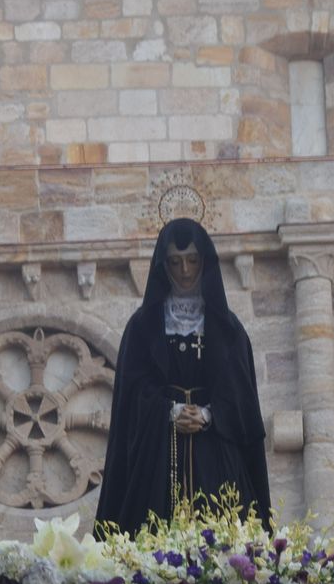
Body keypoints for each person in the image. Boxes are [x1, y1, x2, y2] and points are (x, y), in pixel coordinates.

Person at [95, 217, 271, 534]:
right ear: (164, 266)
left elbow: (240, 394)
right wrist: (170, 411)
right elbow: (132, 391)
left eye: (192, 260)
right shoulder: (143, 326)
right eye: (176, 262)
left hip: (216, 451)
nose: (185, 271)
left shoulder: (227, 327)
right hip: (159, 450)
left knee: (227, 532)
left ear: (204, 262)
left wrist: (207, 414)